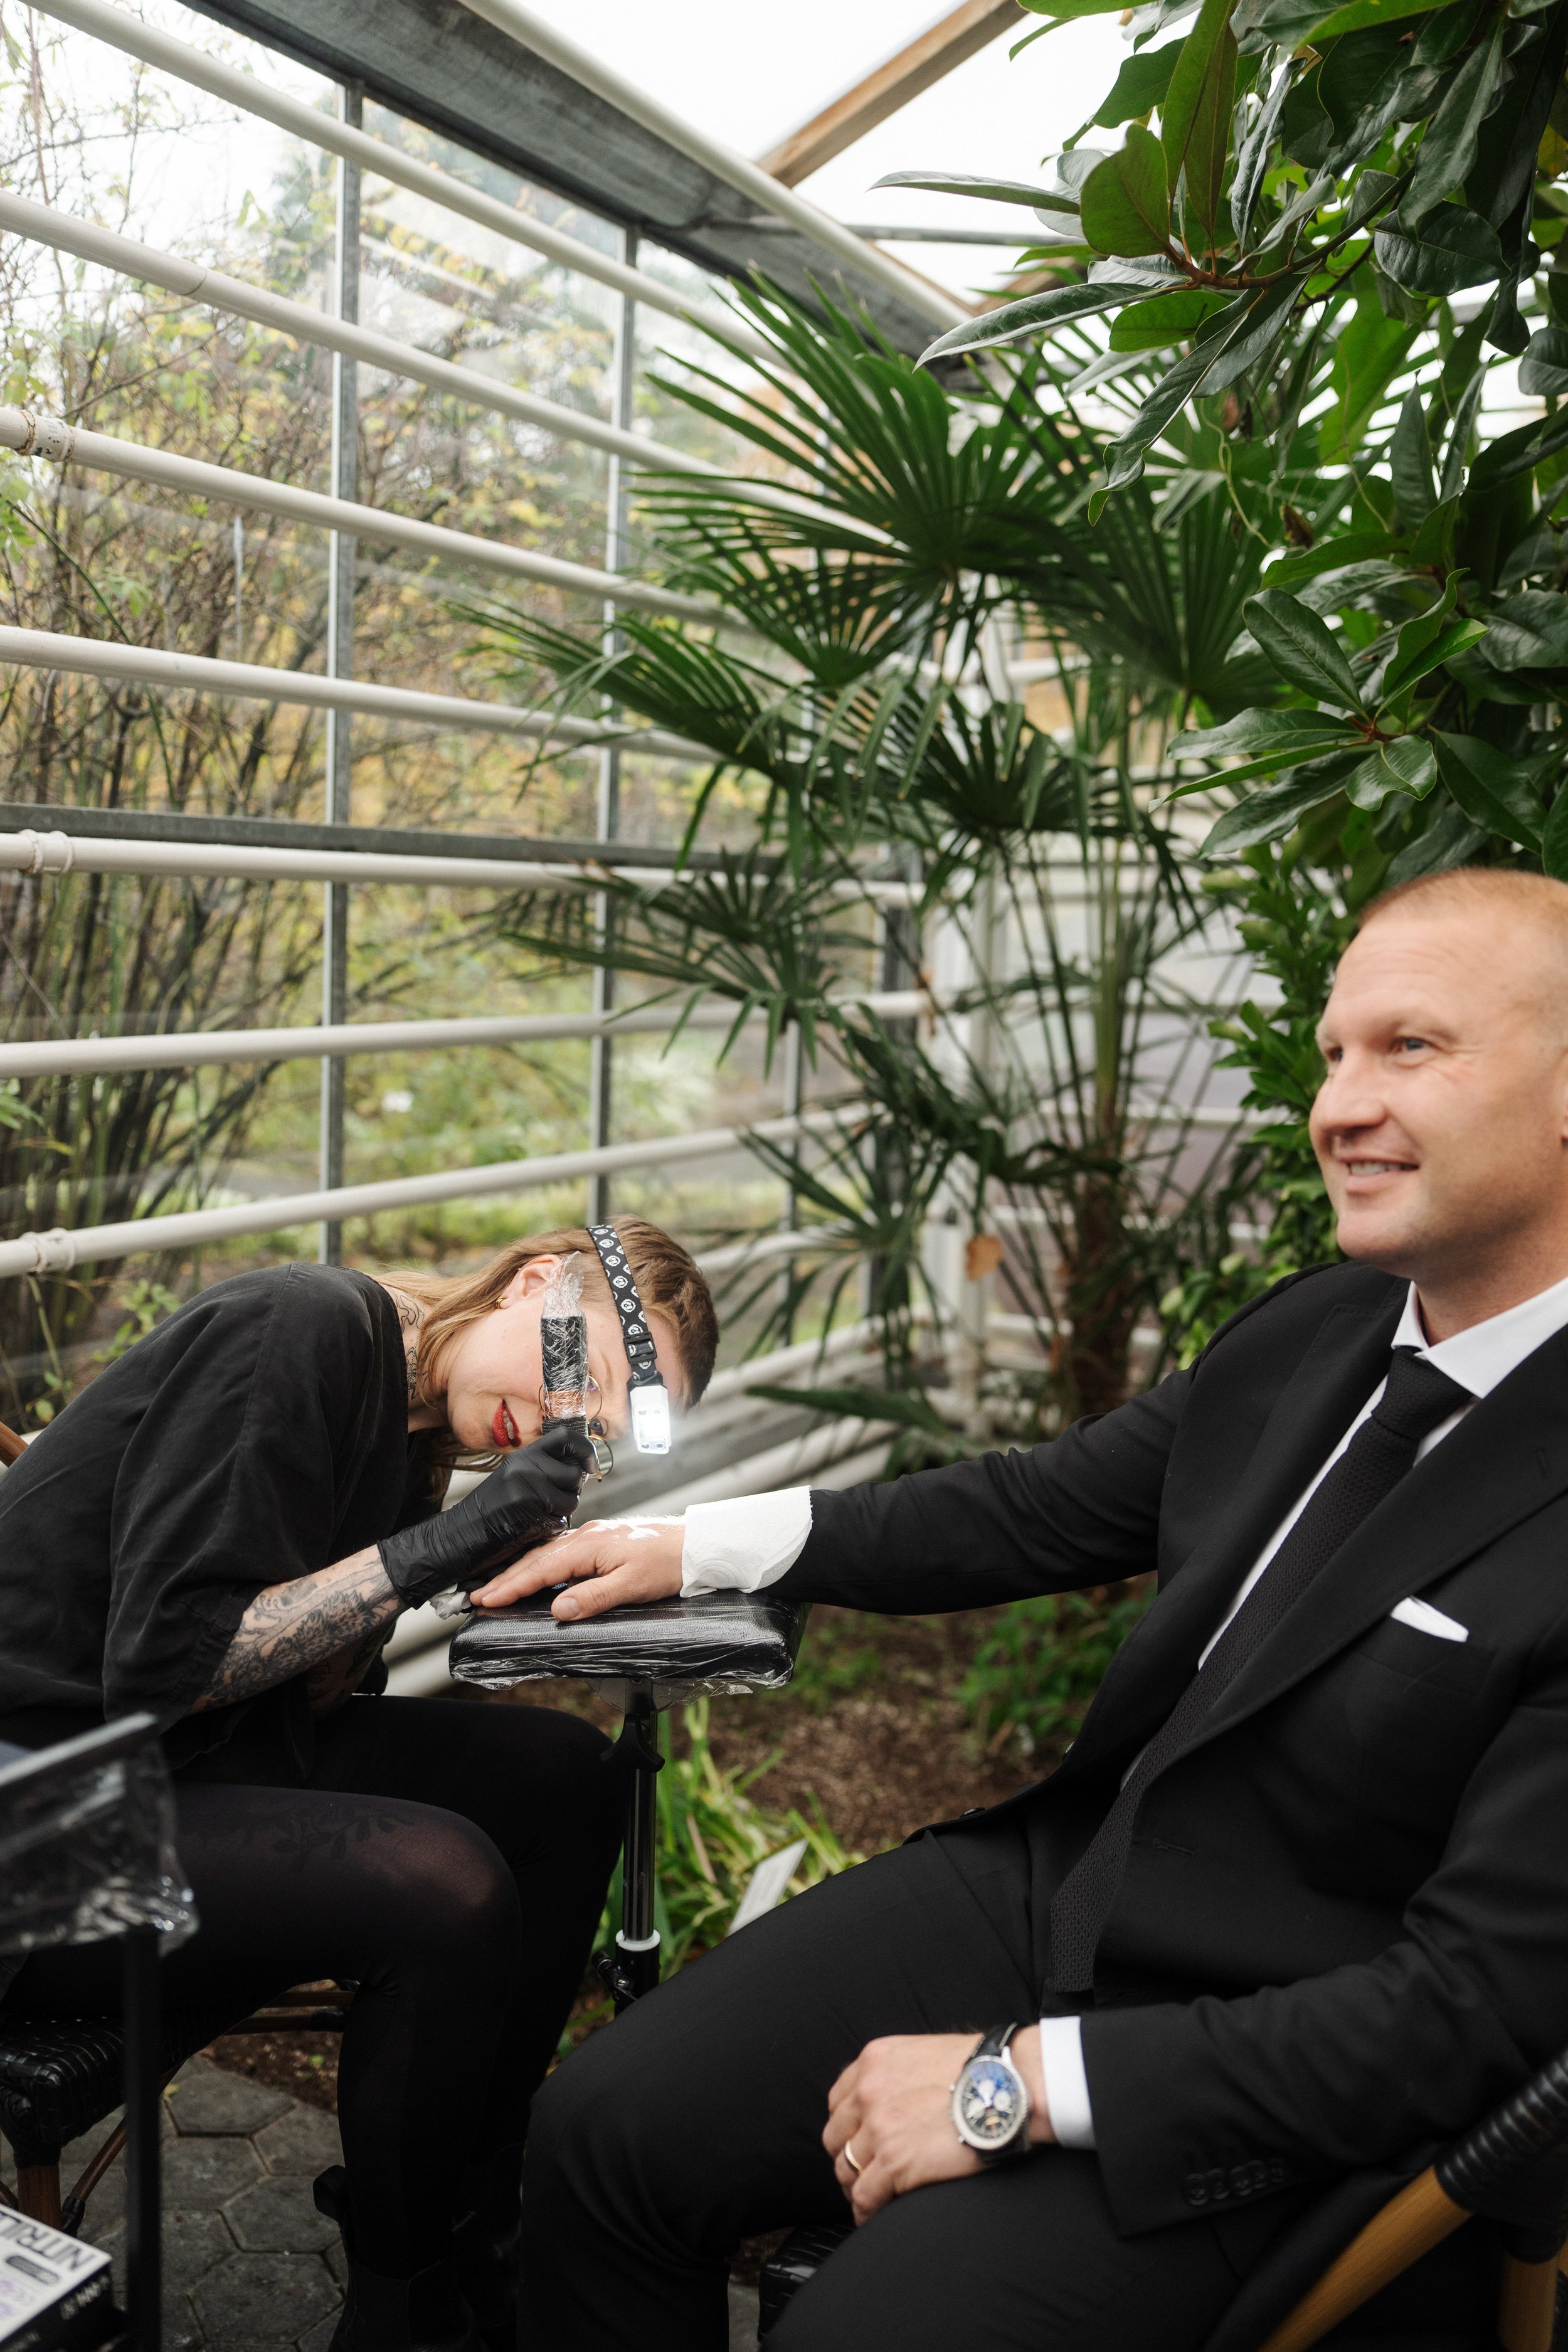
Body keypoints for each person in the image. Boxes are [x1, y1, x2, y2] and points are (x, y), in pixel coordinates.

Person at [479, 868, 1568, 2352]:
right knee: (598, 2134)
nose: (1335, 1106)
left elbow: (1472, 2014)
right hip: (1069, 1887)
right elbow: (1034, 1508)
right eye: (1330, 1053)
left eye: (1410, 1049)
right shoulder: (1312, 1331)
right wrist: (703, 1542)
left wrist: (1017, 2084)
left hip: (1285, 2059)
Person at [0, 1217, 718, 2352]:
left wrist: (473, 1563)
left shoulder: (411, 1434)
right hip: (42, 1815)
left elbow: (312, 1694)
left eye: (615, 1421)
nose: (587, 1417)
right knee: (443, 1885)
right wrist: (439, 1547)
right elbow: (165, 1668)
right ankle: (406, 2301)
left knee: (570, 1778)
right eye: (593, 1369)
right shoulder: (307, 1325)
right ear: (535, 1279)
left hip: (193, 1765)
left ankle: (479, 2224)